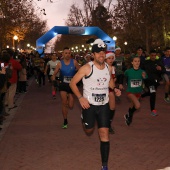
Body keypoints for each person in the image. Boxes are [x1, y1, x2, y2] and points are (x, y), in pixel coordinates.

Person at [70, 39, 121, 170]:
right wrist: (80, 98)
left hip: (104, 105)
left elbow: (109, 82)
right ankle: (84, 118)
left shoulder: (109, 68)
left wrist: (114, 89)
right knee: (89, 130)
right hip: (89, 106)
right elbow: (72, 83)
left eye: (103, 52)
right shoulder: (87, 67)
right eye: (98, 53)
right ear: (93, 54)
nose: (101, 55)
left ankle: (104, 165)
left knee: (104, 134)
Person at [52, 47, 80, 129]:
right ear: (63, 54)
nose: (67, 54)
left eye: (69, 53)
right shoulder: (60, 64)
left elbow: (81, 71)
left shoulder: (74, 62)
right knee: (64, 103)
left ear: (71, 54)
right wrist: (54, 81)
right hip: (63, 85)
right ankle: (65, 120)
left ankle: (69, 101)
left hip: (72, 85)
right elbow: (54, 74)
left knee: (71, 105)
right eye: (66, 53)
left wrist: (79, 78)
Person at [124, 55, 147, 126]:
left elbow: (146, 78)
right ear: (132, 62)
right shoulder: (128, 71)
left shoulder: (142, 72)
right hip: (130, 91)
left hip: (138, 92)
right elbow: (124, 76)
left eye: (138, 61)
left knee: (132, 105)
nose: (137, 62)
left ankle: (128, 115)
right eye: (135, 61)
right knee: (137, 106)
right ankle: (130, 117)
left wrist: (144, 77)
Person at [141, 49, 166, 116]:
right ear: (149, 55)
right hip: (148, 81)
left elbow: (163, 70)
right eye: (152, 55)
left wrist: (160, 69)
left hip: (156, 81)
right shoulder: (146, 62)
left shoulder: (158, 62)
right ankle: (153, 110)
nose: (153, 57)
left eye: (154, 55)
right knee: (153, 93)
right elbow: (141, 70)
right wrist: (142, 75)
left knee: (151, 92)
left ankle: (141, 96)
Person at [105, 51, 116, 134]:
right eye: (109, 58)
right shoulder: (101, 67)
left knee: (112, 107)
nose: (111, 60)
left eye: (112, 58)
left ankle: (108, 124)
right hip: (101, 88)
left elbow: (113, 78)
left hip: (110, 88)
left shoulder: (112, 68)